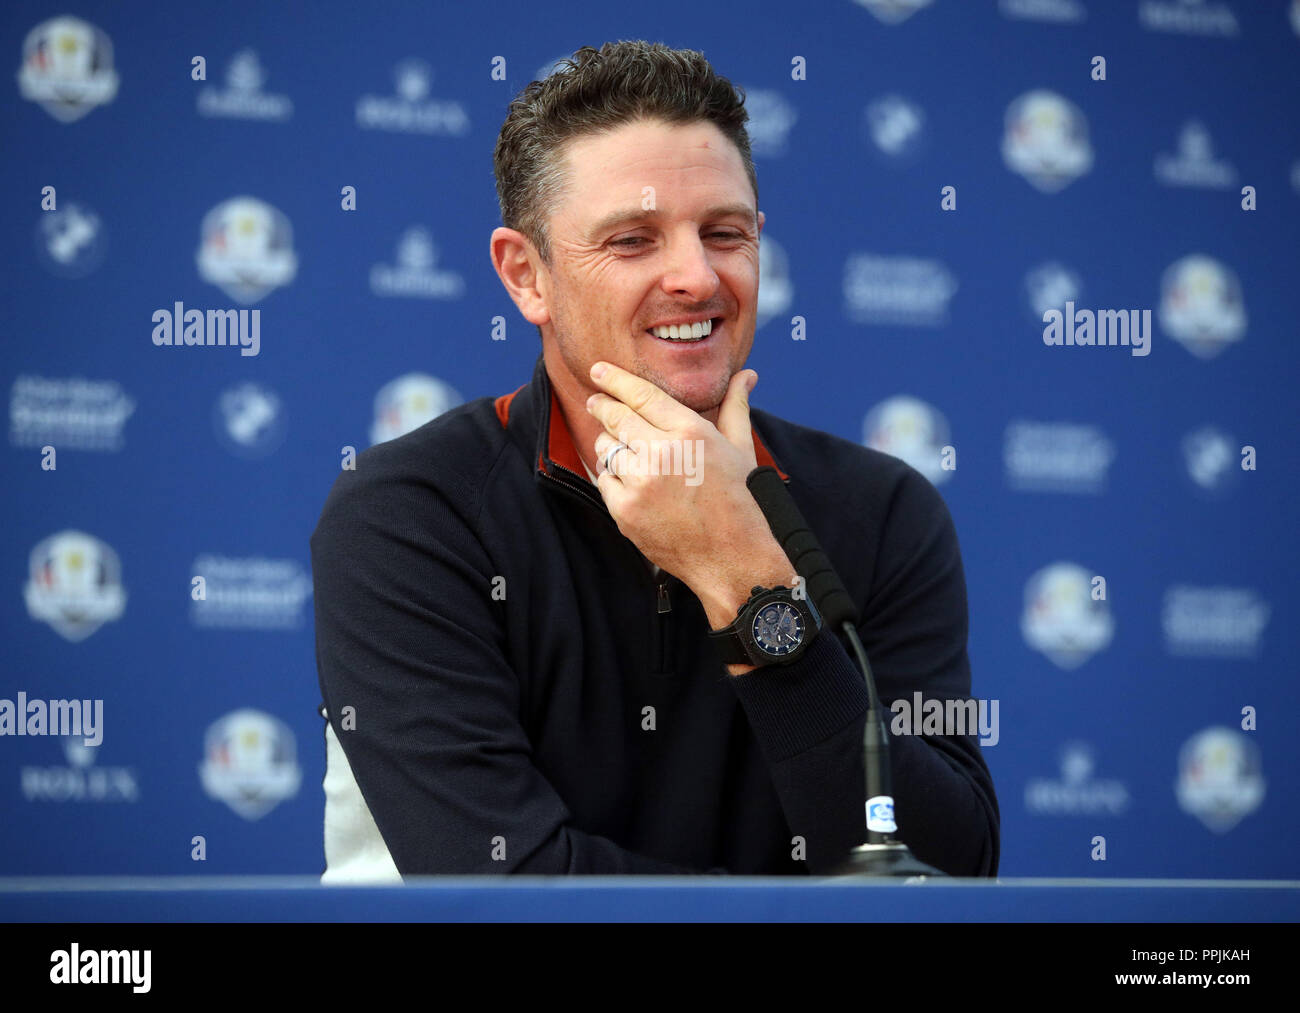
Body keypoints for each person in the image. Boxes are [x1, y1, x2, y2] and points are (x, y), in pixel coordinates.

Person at [311, 41, 998, 879]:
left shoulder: (887, 509)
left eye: (724, 233)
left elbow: (946, 874)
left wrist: (746, 577)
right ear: (527, 276)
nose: (696, 277)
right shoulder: (412, 512)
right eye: (634, 240)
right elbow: (503, 885)